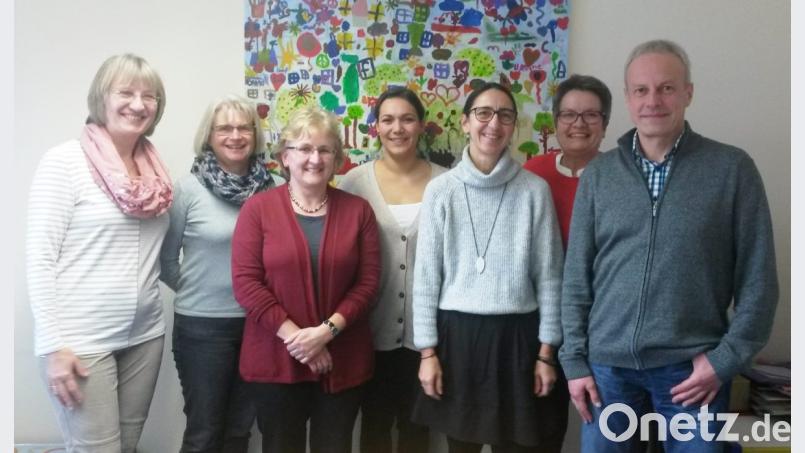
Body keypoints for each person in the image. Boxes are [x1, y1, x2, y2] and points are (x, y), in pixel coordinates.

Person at [559, 39, 779, 452]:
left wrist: (725, 360)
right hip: (610, 372)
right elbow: (576, 279)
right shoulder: (599, 175)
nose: (653, 100)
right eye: (641, 90)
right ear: (627, 98)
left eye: (666, 88)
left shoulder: (732, 170)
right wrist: (574, 361)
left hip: (692, 373)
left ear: (688, 93)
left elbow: (760, 282)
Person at [26, 53, 172, 452]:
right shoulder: (64, 162)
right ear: (101, 99)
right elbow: (40, 258)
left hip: (145, 336)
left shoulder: (156, 171)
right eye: (125, 92)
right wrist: (53, 347)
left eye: (149, 96)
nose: (138, 104)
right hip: (81, 341)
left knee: (126, 447)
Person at [412, 82, 566, 453]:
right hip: (458, 340)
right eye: (483, 113)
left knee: (518, 445)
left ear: (514, 126)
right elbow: (426, 278)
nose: (493, 123)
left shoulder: (534, 190)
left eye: (505, 115)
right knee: (460, 447)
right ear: (465, 122)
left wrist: (547, 354)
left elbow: (550, 278)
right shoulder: (441, 190)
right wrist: (427, 353)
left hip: (519, 340)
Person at [231, 105, 381, 453]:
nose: (315, 158)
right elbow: (246, 284)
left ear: (337, 158)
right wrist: (302, 341)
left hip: (343, 358)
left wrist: (326, 332)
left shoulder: (359, 211)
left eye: (325, 149)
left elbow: (368, 283)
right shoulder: (257, 210)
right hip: (276, 359)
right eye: (304, 148)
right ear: (285, 156)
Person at [160, 94, 275, 452]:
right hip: (202, 328)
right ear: (208, 135)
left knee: (240, 430)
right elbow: (166, 261)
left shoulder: (275, 188)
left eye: (244, 127)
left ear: (255, 135)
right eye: (224, 128)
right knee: (204, 431)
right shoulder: (187, 189)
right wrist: (202, 290)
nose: (236, 135)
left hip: (260, 327)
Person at [339, 86, 447, 453]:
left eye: (407, 119)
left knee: (418, 430)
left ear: (421, 126)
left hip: (430, 336)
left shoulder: (446, 183)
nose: (397, 128)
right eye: (387, 120)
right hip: (369, 331)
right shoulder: (354, 183)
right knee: (374, 427)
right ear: (376, 128)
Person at [523, 74, 612, 249]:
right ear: (556, 124)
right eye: (568, 114)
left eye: (591, 115)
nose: (579, 123)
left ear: (605, 126)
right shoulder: (532, 172)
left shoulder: (620, 177)